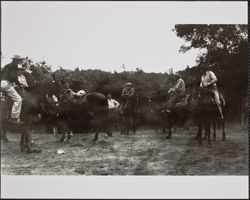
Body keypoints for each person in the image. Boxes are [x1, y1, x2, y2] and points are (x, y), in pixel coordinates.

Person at [1, 55, 25, 123]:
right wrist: (19, 83)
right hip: (7, 84)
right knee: (18, 99)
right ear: (15, 60)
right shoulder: (14, 66)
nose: (19, 62)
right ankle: (14, 118)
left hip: (2, 83)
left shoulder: (7, 66)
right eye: (18, 60)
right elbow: (13, 76)